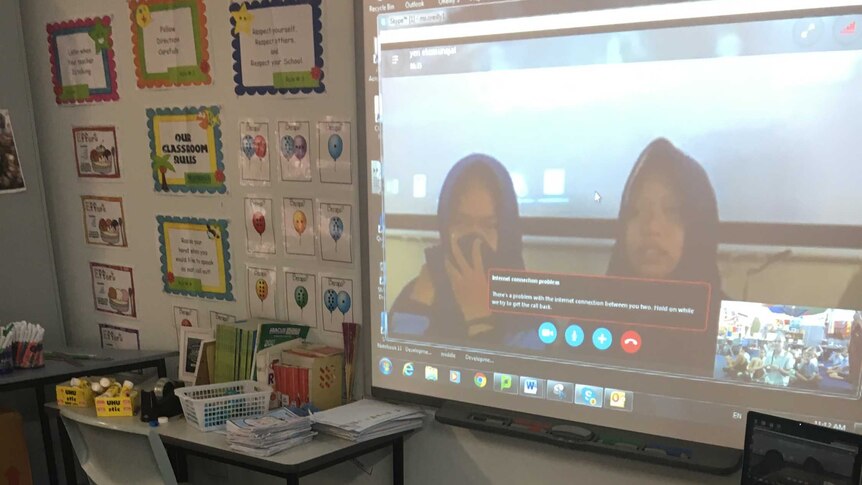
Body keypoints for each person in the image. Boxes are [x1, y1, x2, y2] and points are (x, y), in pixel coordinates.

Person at [607, 138, 724, 370]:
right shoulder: (592, 313)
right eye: (636, 211)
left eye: (671, 211)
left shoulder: (727, 330)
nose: (651, 227)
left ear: (699, 225)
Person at [388, 154, 525, 344]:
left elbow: (519, 370)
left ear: (506, 231)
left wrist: (478, 316)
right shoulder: (421, 289)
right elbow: (399, 362)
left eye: (488, 225)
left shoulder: (527, 304)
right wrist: (417, 306)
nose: (474, 239)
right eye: (461, 222)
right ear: (446, 226)